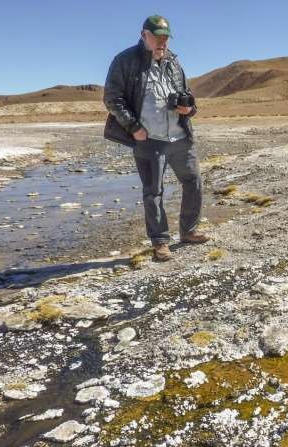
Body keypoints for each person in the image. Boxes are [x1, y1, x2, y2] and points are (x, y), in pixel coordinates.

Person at [103, 14, 209, 262]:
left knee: (193, 181)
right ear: (144, 35)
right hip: (149, 139)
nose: (163, 42)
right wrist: (133, 127)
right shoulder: (125, 60)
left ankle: (189, 231)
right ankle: (160, 242)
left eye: (166, 37)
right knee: (153, 191)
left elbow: (188, 94)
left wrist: (189, 109)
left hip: (180, 137)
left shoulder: (173, 61)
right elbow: (112, 98)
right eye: (157, 37)